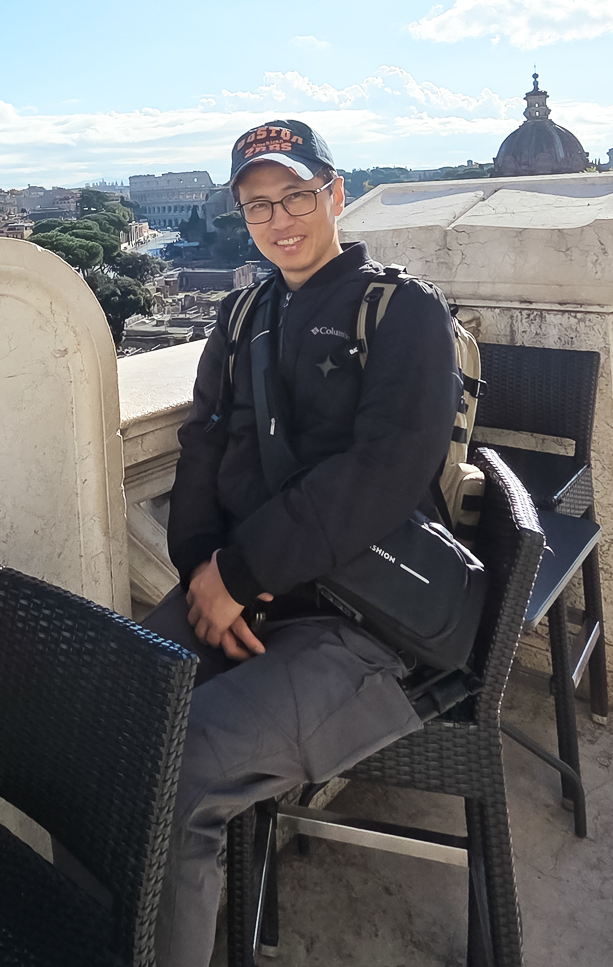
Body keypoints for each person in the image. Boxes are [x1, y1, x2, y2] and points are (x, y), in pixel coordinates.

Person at [149, 118, 458, 967]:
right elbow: (205, 442)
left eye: (295, 197)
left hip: (362, 619)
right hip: (244, 592)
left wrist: (240, 572)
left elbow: (386, 470)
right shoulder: (243, 312)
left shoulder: (402, 312)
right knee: (111, 714)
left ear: (335, 195)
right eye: (258, 207)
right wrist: (204, 571)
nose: (279, 220)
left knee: (181, 775)